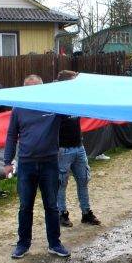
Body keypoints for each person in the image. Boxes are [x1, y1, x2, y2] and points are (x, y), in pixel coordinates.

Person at [3, 75, 69, 259]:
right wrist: (7, 162)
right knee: (25, 206)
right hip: (26, 164)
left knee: (51, 206)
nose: (32, 91)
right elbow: (11, 136)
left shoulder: (54, 107)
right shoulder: (18, 108)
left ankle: (54, 244)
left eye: (36, 88)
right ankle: (23, 244)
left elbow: (73, 107)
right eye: (28, 88)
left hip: (49, 163)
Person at [54, 70, 102, 229]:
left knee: (83, 180)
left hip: (78, 146)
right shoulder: (55, 100)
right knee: (61, 183)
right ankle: (62, 214)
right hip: (63, 149)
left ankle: (86, 213)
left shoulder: (76, 98)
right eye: (74, 81)